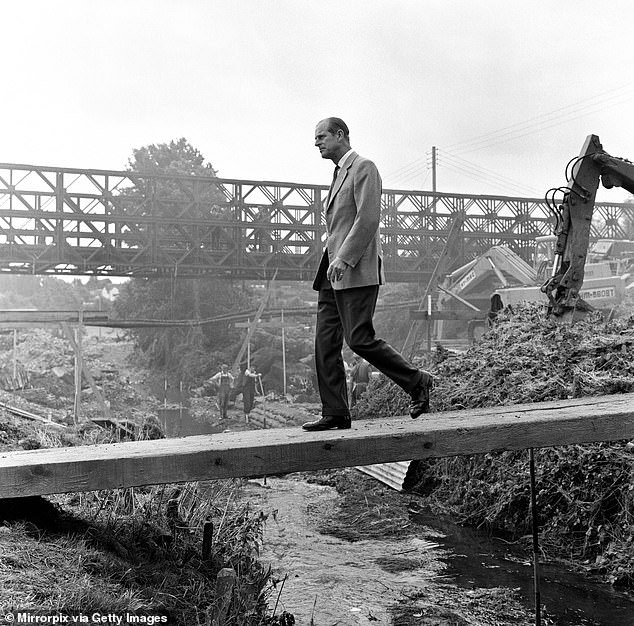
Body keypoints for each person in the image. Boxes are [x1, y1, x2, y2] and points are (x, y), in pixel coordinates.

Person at [302, 117, 434, 431]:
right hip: (331, 274)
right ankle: (335, 412)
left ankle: (418, 382)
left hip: (355, 270)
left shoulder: (364, 168)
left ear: (340, 135)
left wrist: (345, 259)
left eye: (321, 136)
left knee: (359, 339)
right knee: (324, 344)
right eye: (315, 138)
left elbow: (368, 218)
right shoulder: (338, 174)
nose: (316, 143)